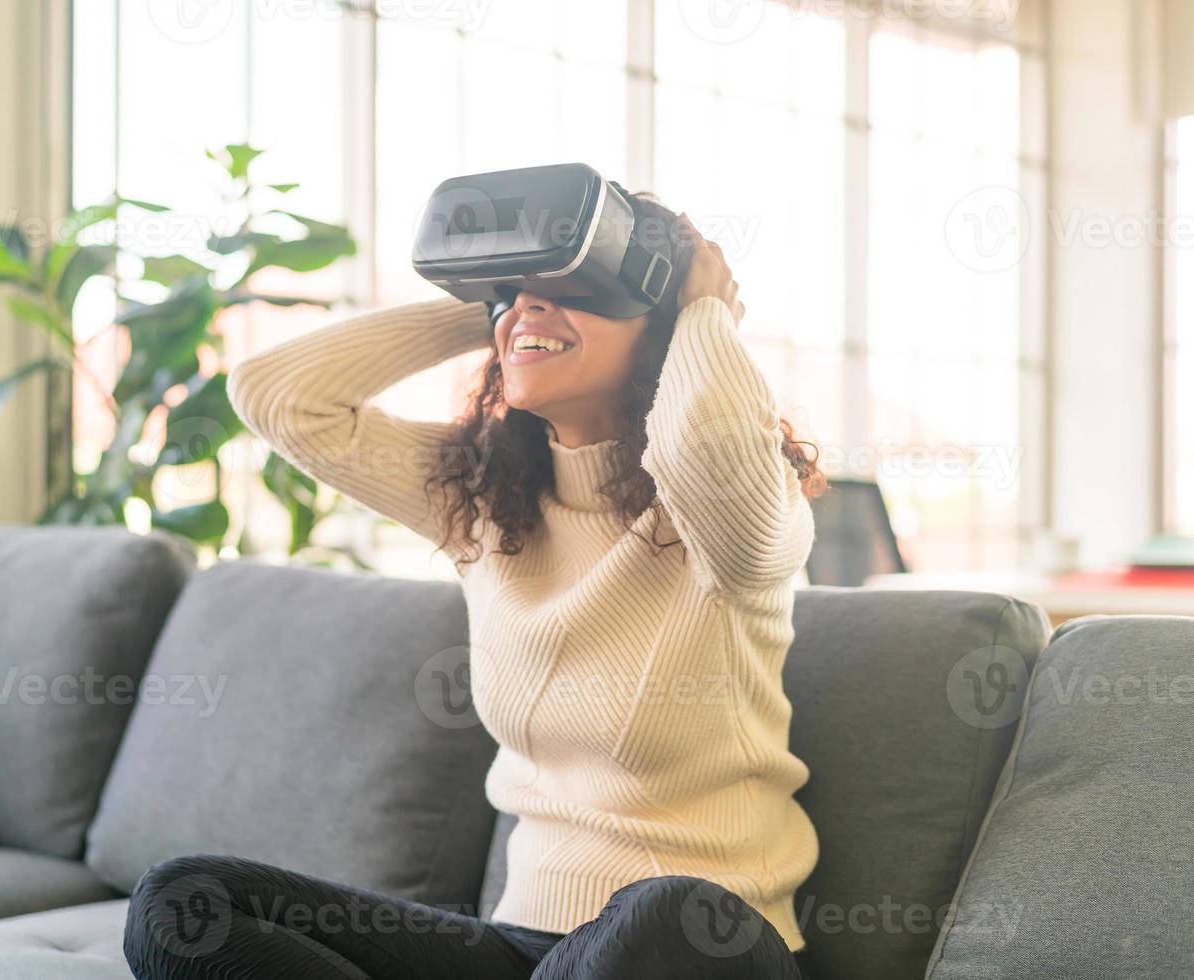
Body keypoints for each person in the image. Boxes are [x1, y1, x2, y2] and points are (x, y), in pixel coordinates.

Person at [125, 192, 826, 979]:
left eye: (575, 286)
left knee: (655, 908)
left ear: (661, 322)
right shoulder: (483, 504)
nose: (531, 302)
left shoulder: (743, 516)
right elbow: (278, 397)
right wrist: (500, 303)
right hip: (527, 947)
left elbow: (710, 461)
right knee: (184, 901)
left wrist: (702, 313)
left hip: (698, 946)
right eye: (517, 291)